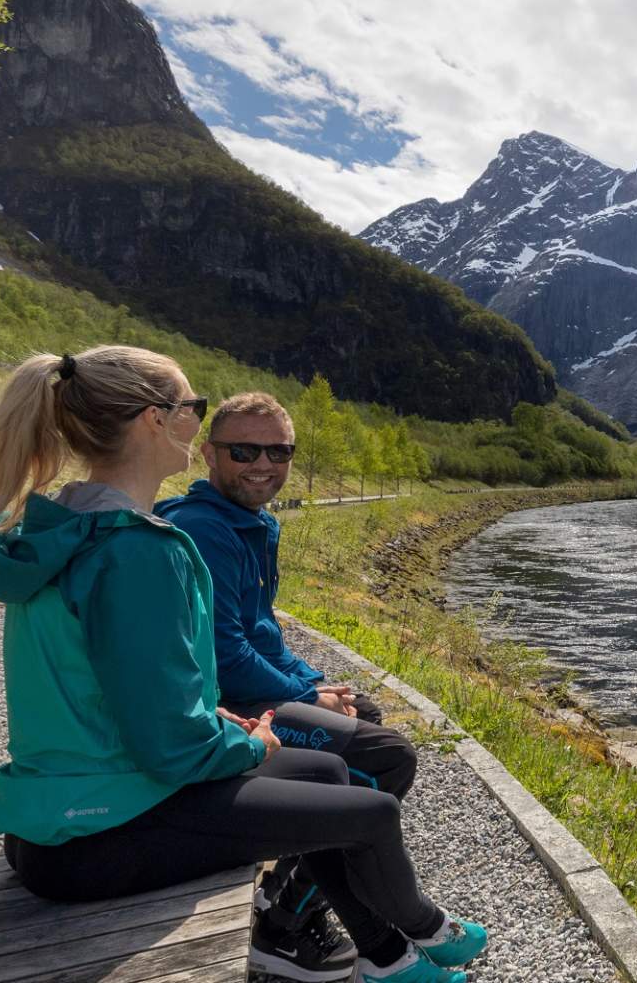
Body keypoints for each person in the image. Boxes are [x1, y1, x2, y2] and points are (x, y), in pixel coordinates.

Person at [0, 345, 486, 983]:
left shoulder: (60, 531)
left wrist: (222, 720)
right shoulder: (137, 552)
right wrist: (249, 742)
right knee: (372, 813)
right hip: (97, 833)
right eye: (193, 407)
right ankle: (421, 932)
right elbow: (169, 747)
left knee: (330, 770)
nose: (196, 421)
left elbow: (119, 696)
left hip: (66, 811)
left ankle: (384, 955)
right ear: (155, 419)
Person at [155, 391, 420, 976]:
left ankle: (294, 897)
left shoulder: (250, 522)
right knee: (387, 759)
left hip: (253, 690)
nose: (263, 465)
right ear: (208, 453)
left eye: (280, 451)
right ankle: (287, 922)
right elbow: (225, 654)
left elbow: (263, 633)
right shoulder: (205, 528)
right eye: (244, 450)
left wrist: (316, 683)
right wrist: (306, 697)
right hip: (229, 703)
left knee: (364, 715)